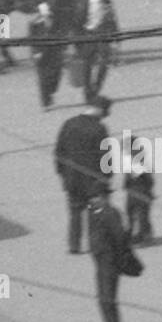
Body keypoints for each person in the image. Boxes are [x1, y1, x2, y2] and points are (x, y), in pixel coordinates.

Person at [54, 96, 112, 254]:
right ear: (100, 110)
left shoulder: (69, 124)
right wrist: (107, 178)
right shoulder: (99, 129)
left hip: (72, 179)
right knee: (95, 214)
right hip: (93, 181)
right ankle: (95, 245)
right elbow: (105, 157)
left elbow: (59, 152)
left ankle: (74, 245)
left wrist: (63, 174)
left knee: (75, 213)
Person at [88, 182, 128, 322]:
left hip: (110, 263)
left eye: (98, 197)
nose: (95, 200)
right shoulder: (92, 212)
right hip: (100, 262)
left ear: (104, 197)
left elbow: (120, 239)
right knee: (102, 299)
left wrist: (115, 259)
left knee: (109, 300)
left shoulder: (112, 213)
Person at [29, 0, 65, 110]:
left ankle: (51, 91)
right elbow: (32, 39)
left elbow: (62, 31)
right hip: (41, 52)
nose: (52, 2)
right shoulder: (35, 22)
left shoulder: (57, 17)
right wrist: (35, 53)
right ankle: (45, 102)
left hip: (55, 51)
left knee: (57, 75)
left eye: (53, 0)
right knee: (43, 78)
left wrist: (64, 46)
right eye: (49, 0)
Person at [80, 0, 116, 102]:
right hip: (89, 35)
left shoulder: (108, 2)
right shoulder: (87, 2)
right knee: (87, 64)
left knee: (104, 63)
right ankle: (87, 91)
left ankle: (96, 88)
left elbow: (113, 20)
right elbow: (79, 19)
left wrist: (116, 38)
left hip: (104, 36)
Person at [123, 135, 155, 245]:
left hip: (139, 191)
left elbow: (145, 177)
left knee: (140, 214)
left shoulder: (137, 158)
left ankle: (144, 236)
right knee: (136, 214)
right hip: (136, 191)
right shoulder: (132, 157)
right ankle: (141, 235)